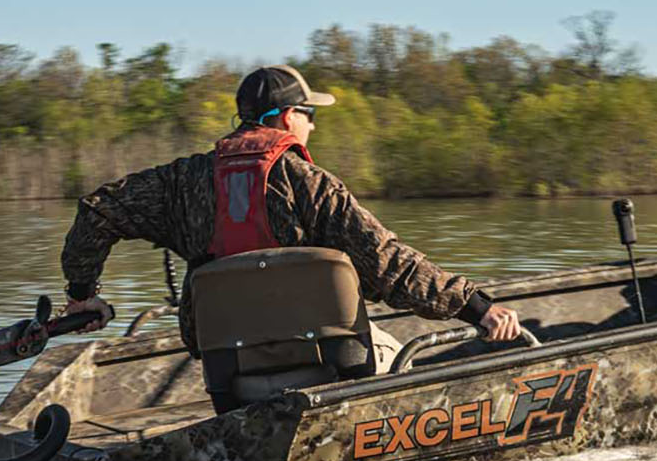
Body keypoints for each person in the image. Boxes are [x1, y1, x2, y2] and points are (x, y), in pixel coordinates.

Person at [60, 64, 522, 363]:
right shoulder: (313, 185)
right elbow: (389, 267)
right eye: (308, 113)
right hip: (324, 364)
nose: (313, 123)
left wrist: (83, 294)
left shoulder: (180, 183)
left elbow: (98, 211)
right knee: (405, 358)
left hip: (228, 367)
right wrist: (478, 308)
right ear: (285, 118)